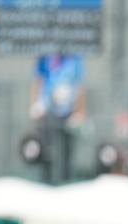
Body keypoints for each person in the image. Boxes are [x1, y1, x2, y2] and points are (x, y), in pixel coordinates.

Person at [30, 54, 86, 184]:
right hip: (48, 109)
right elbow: (38, 80)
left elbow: (80, 86)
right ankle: (45, 181)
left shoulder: (75, 59)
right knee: (46, 148)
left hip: (68, 110)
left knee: (67, 149)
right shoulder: (45, 58)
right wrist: (35, 104)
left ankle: (66, 181)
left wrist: (79, 112)